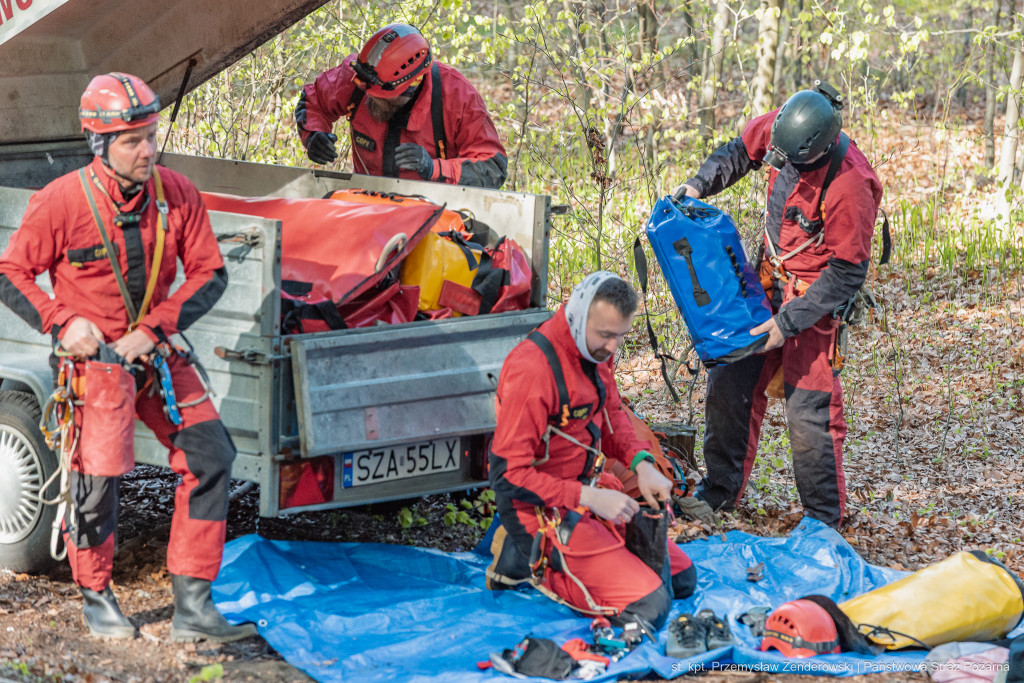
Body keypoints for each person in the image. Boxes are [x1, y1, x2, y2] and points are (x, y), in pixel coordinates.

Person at [0, 72, 256, 643]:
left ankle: (193, 605)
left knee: (211, 455)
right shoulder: (62, 201)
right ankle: (96, 596)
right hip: (94, 366)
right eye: (133, 141)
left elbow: (211, 274)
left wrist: (156, 328)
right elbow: (10, 272)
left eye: (151, 136)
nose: (148, 150)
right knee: (96, 481)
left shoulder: (176, 194)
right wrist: (63, 322)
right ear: (100, 144)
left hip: (156, 355)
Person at [675, 81, 883, 529]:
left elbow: (847, 271)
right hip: (766, 279)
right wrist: (697, 185)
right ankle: (719, 492)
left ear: (817, 150)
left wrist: (787, 324)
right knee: (730, 376)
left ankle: (823, 524)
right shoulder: (788, 126)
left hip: (814, 298)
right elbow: (739, 152)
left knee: (809, 410)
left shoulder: (850, 184)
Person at [487, 272, 697, 629]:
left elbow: (612, 414)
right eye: (605, 334)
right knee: (649, 608)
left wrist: (642, 464)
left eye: (620, 335)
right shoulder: (533, 370)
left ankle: (566, 553)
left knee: (682, 580)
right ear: (576, 316)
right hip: (542, 511)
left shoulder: (596, 352)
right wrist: (587, 496)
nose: (612, 347)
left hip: (589, 495)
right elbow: (507, 475)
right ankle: (531, 560)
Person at [294, 23, 507, 189]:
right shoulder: (359, 78)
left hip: (434, 214)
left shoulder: (457, 97)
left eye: (382, 97)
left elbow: (492, 167)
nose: (370, 99)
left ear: (411, 87)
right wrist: (314, 136)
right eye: (369, 92)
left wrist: (434, 168)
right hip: (367, 204)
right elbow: (314, 100)